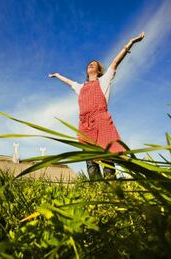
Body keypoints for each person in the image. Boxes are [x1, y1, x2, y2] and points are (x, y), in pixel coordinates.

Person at [49, 32, 145, 180]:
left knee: (107, 157)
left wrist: (131, 42)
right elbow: (69, 82)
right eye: (89, 64)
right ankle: (98, 189)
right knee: (90, 160)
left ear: (98, 70)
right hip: (85, 125)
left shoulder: (104, 80)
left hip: (101, 121)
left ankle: (112, 186)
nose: (90, 64)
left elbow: (115, 62)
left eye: (93, 64)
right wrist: (57, 75)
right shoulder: (80, 87)